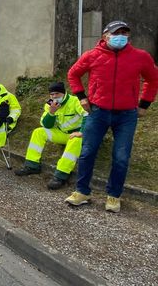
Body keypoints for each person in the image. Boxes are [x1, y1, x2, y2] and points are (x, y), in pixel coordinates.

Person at [65, 20, 158, 212]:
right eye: (116, 33)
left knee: (121, 157)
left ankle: (114, 196)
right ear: (105, 36)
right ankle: (82, 192)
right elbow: (73, 74)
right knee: (87, 152)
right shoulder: (92, 55)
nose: (121, 36)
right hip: (98, 111)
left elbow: (153, 79)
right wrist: (81, 97)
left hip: (127, 115)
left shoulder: (140, 56)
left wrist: (144, 104)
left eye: (125, 33)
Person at [15, 82, 87, 190]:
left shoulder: (75, 101)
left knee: (76, 140)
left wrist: (82, 132)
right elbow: (46, 124)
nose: (54, 97)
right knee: (39, 132)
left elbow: (87, 115)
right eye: (51, 94)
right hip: (61, 134)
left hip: (77, 134)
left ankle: (61, 175)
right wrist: (51, 113)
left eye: (57, 94)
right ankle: (32, 165)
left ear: (63, 93)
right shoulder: (49, 104)